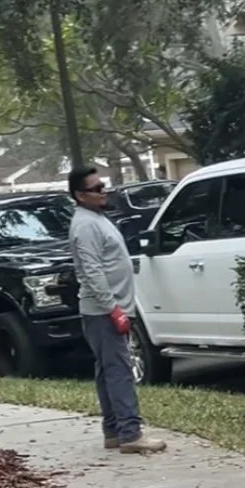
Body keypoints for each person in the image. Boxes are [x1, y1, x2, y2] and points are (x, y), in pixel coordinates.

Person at [67, 166, 166, 454]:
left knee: (108, 370)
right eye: (97, 189)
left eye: (103, 186)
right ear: (80, 195)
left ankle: (113, 430)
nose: (104, 191)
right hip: (103, 312)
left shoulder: (96, 218)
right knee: (119, 370)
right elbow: (92, 271)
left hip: (107, 309)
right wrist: (114, 309)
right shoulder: (85, 225)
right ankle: (130, 434)